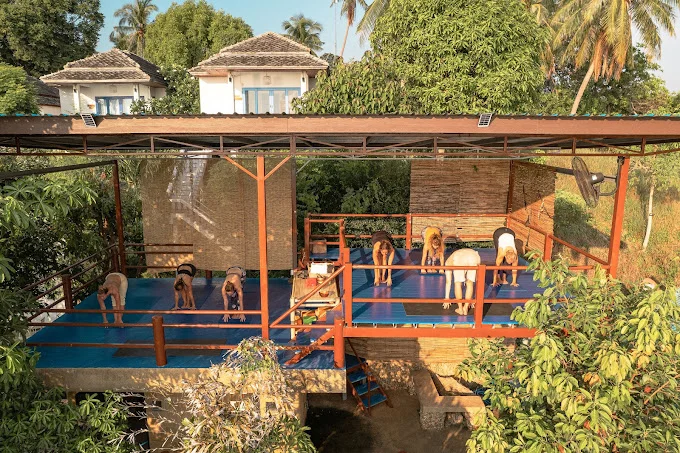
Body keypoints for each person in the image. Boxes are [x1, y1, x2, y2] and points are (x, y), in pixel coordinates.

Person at [443, 248, 481, 315]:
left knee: (458, 283)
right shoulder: (455, 255)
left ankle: (460, 309)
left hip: (460, 258)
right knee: (470, 282)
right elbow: (477, 279)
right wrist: (472, 299)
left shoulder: (447, 263)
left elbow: (448, 282)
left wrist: (447, 298)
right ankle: (465, 308)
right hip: (474, 256)